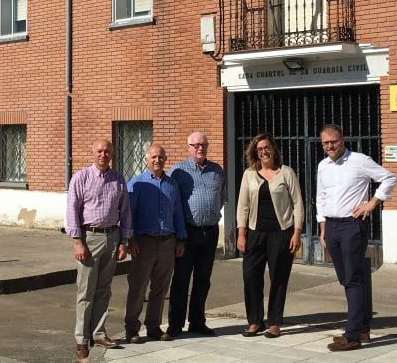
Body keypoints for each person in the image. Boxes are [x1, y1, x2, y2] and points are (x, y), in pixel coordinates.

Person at [316, 124, 397, 352]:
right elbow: (321, 196)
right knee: (347, 279)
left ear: (343, 140)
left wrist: (371, 203)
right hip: (331, 226)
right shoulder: (323, 166)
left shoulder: (360, 160)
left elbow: (389, 178)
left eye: (333, 141)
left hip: (353, 226)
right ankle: (361, 328)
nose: (330, 146)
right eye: (325, 143)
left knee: (353, 279)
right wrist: (322, 228)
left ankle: (352, 336)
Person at [66, 139, 132, 361]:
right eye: (100, 151)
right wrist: (77, 241)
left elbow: (125, 212)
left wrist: (124, 241)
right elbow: (72, 211)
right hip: (90, 238)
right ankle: (82, 339)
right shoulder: (81, 178)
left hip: (112, 238)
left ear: (112, 153)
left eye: (107, 151)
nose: (104, 155)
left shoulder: (118, 178)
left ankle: (98, 333)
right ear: (92, 152)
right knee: (85, 292)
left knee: (104, 289)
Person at [236, 133, 304, 338]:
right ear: (255, 153)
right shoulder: (249, 174)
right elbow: (242, 206)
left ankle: (274, 322)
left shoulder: (287, 173)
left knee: (279, 277)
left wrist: (297, 233)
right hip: (255, 233)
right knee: (250, 276)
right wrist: (241, 233)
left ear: (274, 150)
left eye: (267, 148)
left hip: (281, 233)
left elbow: (298, 204)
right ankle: (255, 321)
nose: (263, 152)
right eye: (259, 149)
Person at [124, 144, 186, 344]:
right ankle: (132, 328)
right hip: (144, 242)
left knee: (160, 287)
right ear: (146, 160)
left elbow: (178, 213)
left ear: (165, 159)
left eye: (161, 157)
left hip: (168, 242)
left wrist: (181, 238)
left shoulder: (172, 184)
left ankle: (153, 326)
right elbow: (129, 214)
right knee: (138, 287)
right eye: (153, 157)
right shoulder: (136, 183)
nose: (157, 160)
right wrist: (130, 239)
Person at [167, 131, 226, 337]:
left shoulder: (217, 170)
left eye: (204, 145)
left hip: (209, 232)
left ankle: (197, 321)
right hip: (187, 234)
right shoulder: (178, 172)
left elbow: (222, 197)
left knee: (203, 279)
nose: (200, 148)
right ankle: (175, 323)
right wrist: (179, 237)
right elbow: (173, 206)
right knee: (181, 279)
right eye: (196, 145)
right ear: (188, 147)